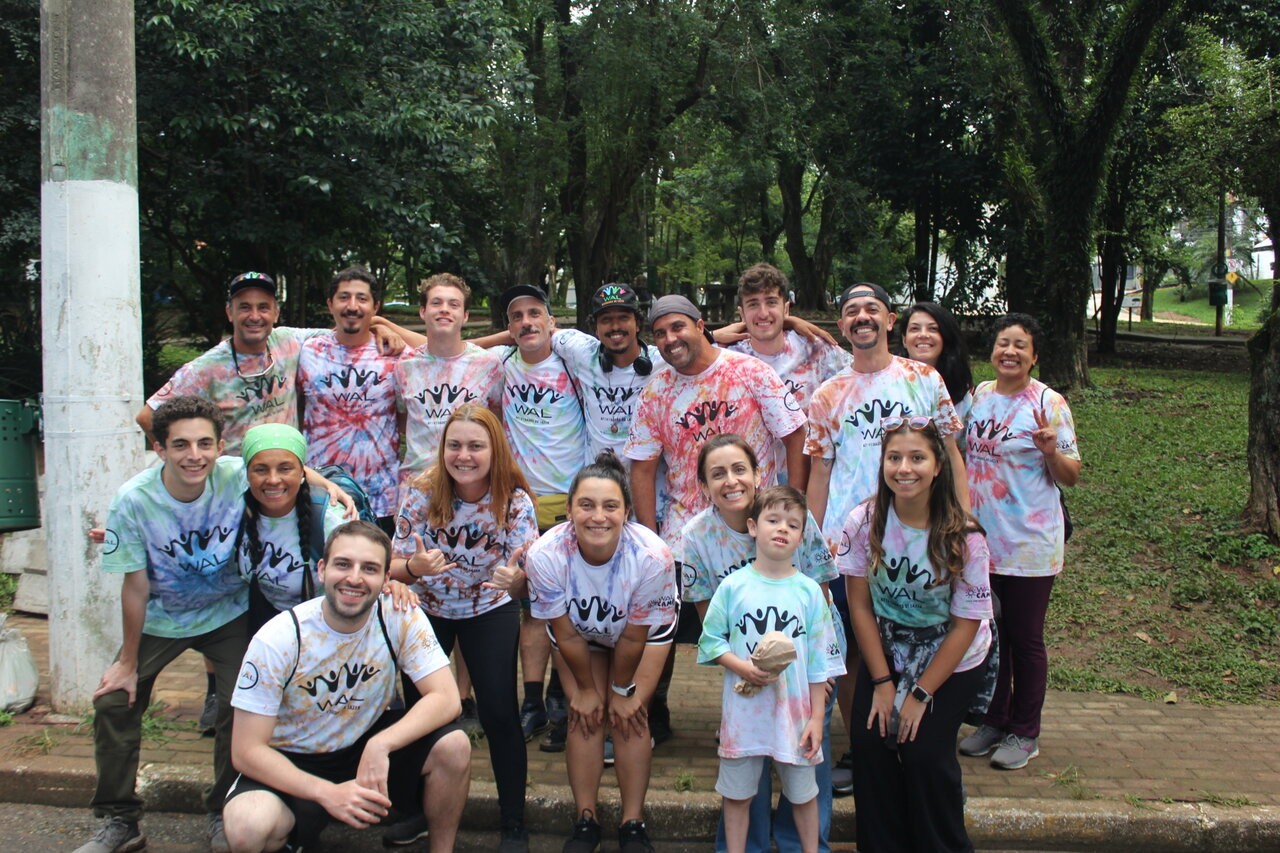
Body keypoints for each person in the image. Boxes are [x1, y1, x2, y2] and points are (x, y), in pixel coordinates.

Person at [137, 270, 402, 729]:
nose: (255, 316)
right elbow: (149, 415)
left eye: (264, 307)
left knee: (298, 579)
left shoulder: (291, 342)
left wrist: (385, 327)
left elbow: (351, 323)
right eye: (244, 307)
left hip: (288, 484)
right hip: (237, 492)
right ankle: (221, 687)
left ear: (276, 313)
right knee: (235, 585)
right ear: (229, 313)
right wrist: (200, 465)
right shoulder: (208, 367)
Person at [222, 521, 471, 853]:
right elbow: (246, 751)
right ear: (322, 569)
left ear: (386, 578)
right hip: (294, 757)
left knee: (454, 745)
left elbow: (447, 698)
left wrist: (382, 744)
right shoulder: (279, 638)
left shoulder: (399, 615)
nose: (354, 578)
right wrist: (328, 793)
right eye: (343, 564)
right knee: (247, 827)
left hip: (364, 742)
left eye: (369, 568)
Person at [76, 397, 251, 853]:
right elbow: (135, 587)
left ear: (220, 446)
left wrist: (328, 487)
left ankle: (224, 809)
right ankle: (120, 820)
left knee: (241, 703)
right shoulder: (134, 500)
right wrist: (127, 661)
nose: (195, 455)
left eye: (205, 443)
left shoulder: (235, 476)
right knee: (115, 701)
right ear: (159, 448)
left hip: (227, 611)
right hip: (161, 617)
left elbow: (286, 466)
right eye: (181, 445)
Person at [839, 416, 996, 852]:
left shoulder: (964, 538)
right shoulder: (864, 521)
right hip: (888, 647)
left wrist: (920, 694)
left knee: (924, 752)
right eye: (894, 458)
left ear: (937, 466)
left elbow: (966, 624)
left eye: (917, 458)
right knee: (870, 743)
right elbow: (860, 605)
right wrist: (882, 684)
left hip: (952, 654)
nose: (904, 468)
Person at [388, 404, 540, 851]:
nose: (464, 455)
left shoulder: (514, 500)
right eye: (454, 445)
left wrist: (518, 583)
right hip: (428, 608)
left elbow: (528, 576)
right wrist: (413, 568)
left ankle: (513, 820)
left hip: (488, 607)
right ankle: (416, 811)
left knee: (499, 713)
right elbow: (392, 565)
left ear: (495, 450)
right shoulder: (421, 491)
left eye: (476, 446)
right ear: (442, 449)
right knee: (421, 715)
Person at [680, 434, 841, 853]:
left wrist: (822, 673)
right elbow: (708, 618)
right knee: (745, 767)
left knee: (806, 757)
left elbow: (822, 591)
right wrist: (739, 666)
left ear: (757, 473)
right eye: (718, 474)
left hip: (807, 655)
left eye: (739, 469)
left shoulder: (788, 513)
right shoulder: (697, 537)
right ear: (704, 485)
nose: (731, 481)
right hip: (745, 664)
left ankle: (802, 847)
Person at [524, 452, 678, 853]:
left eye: (610, 506)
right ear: (569, 509)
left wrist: (622, 690)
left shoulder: (652, 556)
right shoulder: (545, 555)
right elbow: (565, 635)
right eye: (586, 505)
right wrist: (588, 690)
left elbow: (633, 639)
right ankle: (585, 819)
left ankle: (633, 822)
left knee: (630, 715)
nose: (598, 516)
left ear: (626, 512)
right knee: (585, 714)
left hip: (642, 633)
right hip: (579, 633)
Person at [959, 313, 1080, 770]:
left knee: (1025, 639)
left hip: (1030, 545)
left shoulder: (1048, 402)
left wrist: (1051, 452)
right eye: (1002, 343)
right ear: (992, 350)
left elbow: (1071, 475)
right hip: (982, 543)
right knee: (992, 638)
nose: (1009, 352)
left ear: (1034, 356)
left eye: (1020, 346)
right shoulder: (979, 397)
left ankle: (1025, 732)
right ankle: (995, 720)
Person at [625, 294, 808, 552]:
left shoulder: (751, 372)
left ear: (700, 327)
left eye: (678, 327)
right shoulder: (654, 394)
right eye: (660, 334)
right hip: (687, 539)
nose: (670, 339)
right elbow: (642, 469)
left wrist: (791, 510)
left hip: (758, 529)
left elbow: (795, 435)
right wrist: (651, 543)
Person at [495, 284, 586, 748]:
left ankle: (561, 698)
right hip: (524, 506)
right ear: (508, 328)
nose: (526, 322)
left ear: (553, 322)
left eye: (535, 313)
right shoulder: (502, 366)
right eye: (517, 316)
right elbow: (451, 347)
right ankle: (531, 703)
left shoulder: (574, 365)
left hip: (571, 503)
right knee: (532, 608)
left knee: (567, 610)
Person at [297, 266, 406, 531]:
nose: (352, 306)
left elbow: (443, 353)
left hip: (381, 497)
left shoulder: (394, 355)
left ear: (375, 306)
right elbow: (298, 407)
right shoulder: (307, 351)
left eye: (362, 298)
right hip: (322, 492)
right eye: (344, 297)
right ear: (330, 304)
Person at [723, 263, 852, 480]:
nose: (763, 313)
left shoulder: (815, 349)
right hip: (747, 484)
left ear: (786, 308)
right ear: (742, 314)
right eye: (753, 304)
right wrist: (712, 335)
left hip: (810, 480)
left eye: (771, 302)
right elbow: (672, 357)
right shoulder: (727, 359)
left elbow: (865, 375)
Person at [898, 302, 974, 425]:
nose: (923, 335)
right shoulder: (889, 383)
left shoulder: (961, 392)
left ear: (945, 337)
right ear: (904, 340)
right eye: (915, 329)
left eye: (933, 329)